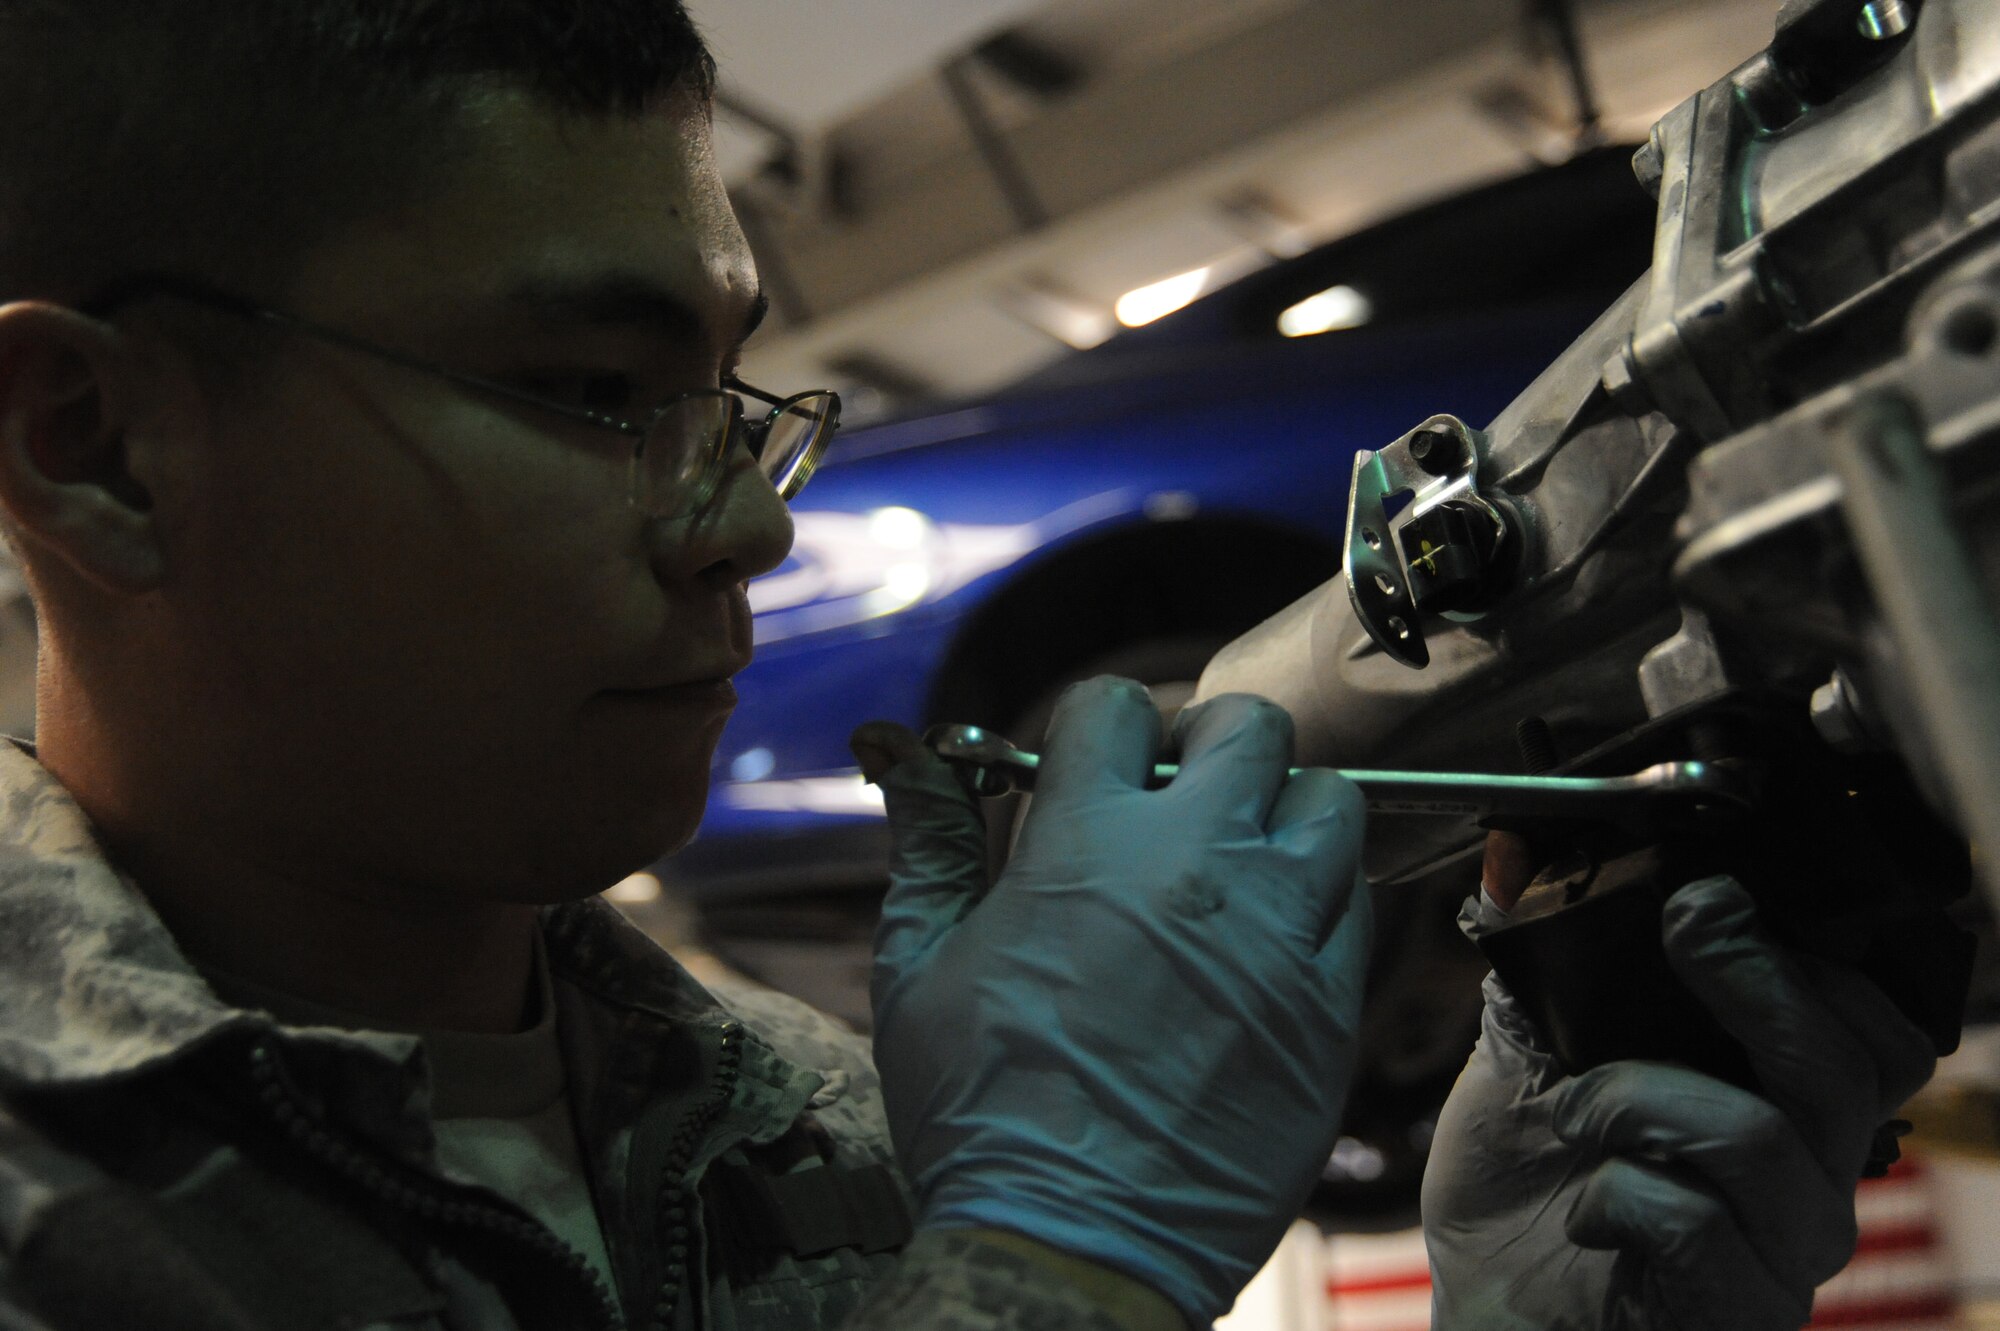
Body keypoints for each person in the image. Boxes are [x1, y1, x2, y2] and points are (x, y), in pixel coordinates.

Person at [0, 4, 1937, 1330]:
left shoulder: (833, 1123)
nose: (746, 528)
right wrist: (1053, 1267)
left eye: (727, 397)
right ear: (93, 444)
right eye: (588, 394)